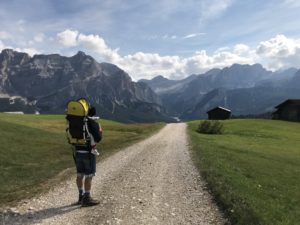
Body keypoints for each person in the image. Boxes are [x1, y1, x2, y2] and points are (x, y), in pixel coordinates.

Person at [74, 106, 102, 206]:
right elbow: (98, 138)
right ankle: (87, 198)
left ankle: (80, 197)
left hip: (77, 152)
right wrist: (100, 131)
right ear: (93, 114)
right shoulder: (92, 123)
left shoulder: (77, 122)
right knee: (89, 175)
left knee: (79, 174)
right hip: (88, 152)